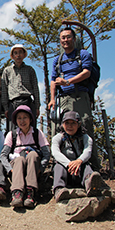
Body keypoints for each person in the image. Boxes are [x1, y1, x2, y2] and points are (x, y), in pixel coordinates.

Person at [48, 27, 99, 170]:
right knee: (61, 129)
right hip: (63, 98)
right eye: (63, 38)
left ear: (74, 39)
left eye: (68, 37)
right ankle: (61, 165)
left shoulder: (82, 54)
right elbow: (53, 80)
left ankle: (93, 166)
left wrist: (68, 82)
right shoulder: (58, 60)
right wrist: (52, 99)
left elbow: (87, 72)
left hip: (79, 96)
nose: (65, 40)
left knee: (85, 126)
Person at [0, 105, 50, 209]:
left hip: (33, 164)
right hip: (17, 165)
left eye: (25, 117)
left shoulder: (37, 133)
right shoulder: (12, 135)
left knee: (32, 154)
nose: (22, 121)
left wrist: (41, 168)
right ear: (15, 120)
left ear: (31, 119)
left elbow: (46, 153)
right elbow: (3, 155)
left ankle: (30, 193)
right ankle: (17, 193)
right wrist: (10, 170)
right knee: (20, 159)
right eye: (19, 118)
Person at [52, 111, 104, 202]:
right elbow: (55, 153)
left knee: (86, 165)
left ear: (79, 124)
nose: (70, 126)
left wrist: (79, 161)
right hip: (65, 169)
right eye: (66, 123)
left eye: (73, 123)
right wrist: (69, 164)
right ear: (62, 124)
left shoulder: (85, 137)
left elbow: (88, 151)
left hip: (79, 169)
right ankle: (59, 189)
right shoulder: (58, 138)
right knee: (58, 166)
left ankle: (90, 184)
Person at [1, 44, 40, 130]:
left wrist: (37, 106)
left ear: (24, 55)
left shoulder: (30, 70)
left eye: (20, 52)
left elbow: (36, 89)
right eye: (15, 53)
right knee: (13, 131)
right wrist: (6, 108)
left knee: (31, 130)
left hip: (28, 101)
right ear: (12, 56)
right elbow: (4, 90)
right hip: (13, 103)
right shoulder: (7, 71)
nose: (18, 55)